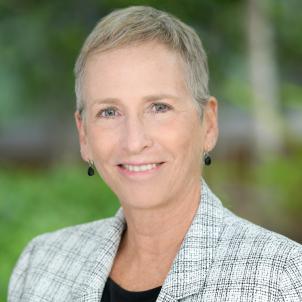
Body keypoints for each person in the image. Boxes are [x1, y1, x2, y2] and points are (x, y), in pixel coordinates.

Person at [8, 6, 302, 302]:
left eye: (159, 107)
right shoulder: (41, 265)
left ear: (209, 124)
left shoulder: (280, 278)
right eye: (109, 112)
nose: (134, 141)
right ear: (84, 134)